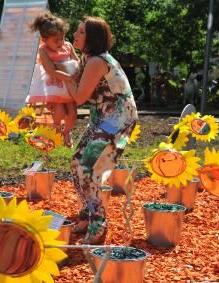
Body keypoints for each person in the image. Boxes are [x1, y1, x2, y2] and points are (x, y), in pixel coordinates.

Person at [65, 16, 138, 244]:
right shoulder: (88, 58)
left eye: (80, 32)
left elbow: (78, 97)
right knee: (77, 164)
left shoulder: (97, 61)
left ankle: (99, 223)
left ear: (92, 38)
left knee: (90, 168)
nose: (75, 35)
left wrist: (59, 75)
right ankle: (88, 213)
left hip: (120, 124)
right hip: (102, 120)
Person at [27, 11, 79, 148]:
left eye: (62, 38)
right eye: (56, 40)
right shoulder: (43, 50)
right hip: (56, 86)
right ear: (44, 39)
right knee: (60, 113)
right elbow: (51, 71)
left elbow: (76, 60)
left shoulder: (67, 45)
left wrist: (75, 73)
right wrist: (69, 77)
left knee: (73, 114)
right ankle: (57, 131)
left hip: (69, 86)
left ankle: (67, 131)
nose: (60, 43)